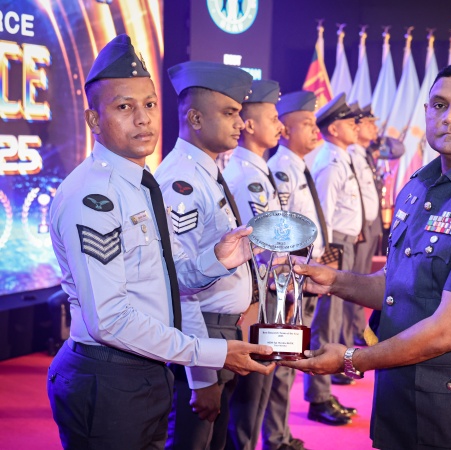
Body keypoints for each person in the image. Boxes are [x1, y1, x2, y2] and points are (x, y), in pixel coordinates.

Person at [283, 62, 451, 449]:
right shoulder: (420, 185)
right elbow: (398, 286)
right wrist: (334, 281)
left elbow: (449, 330)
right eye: (439, 105)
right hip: (401, 402)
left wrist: (352, 359)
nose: (449, 117)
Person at [46, 35, 274, 449]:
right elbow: (109, 320)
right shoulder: (94, 196)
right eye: (124, 107)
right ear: (93, 120)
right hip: (109, 375)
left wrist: (216, 260)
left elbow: (161, 284)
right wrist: (209, 354)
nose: (143, 119)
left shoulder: (139, 182)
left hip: (146, 369)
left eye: (149, 105)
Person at [156, 61, 256, 450]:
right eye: (230, 113)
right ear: (195, 118)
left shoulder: (205, 171)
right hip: (201, 336)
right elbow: (179, 286)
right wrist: (202, 378)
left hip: (220, 331)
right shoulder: (180, 181)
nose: (240, 123)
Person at [223, 80, 285, 450]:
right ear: (249, 125)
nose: (280, 126)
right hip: (256, 293)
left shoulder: (256, 170)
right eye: (273, 118)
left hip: (267, 289)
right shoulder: (246, 175)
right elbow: (260, 241)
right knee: (249, 392)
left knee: (261, 386)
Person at [264, 90, 324, 450]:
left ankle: (280, 433)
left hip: (304, 274)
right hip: (288, 280)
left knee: (292, 357)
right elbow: (282, 232)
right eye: (306, 124)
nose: (316, 131)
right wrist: (288, 285)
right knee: (284, 360)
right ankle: (275, 437)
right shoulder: (282, 170)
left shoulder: (298, 165)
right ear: (285, 130)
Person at [301, 93, 362, 426]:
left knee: (335, 321)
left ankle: (326, 388)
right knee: (325, 322)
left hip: (344, 243)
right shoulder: (329, 161)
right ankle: (318, 396)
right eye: (350, 122)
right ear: (335, 129)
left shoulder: (341, 157)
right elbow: (322, 216)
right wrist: (328, 258)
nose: (356, 126)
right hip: (333, 245)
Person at [343, 104, 383, 349]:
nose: (374, 128)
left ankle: (356, 329)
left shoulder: (365, 154)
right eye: (368, 123)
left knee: (362, 277)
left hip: (369, 223)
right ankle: (352, 331)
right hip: (357, 226)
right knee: (355, 280)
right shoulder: (350, 155)